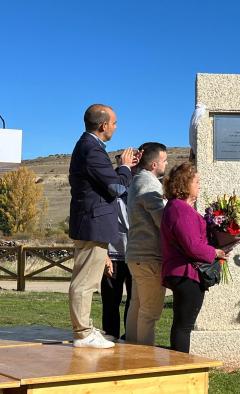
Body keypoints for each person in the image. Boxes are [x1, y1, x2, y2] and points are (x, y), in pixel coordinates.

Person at [69, 104, 133, 348]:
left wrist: (120, 169)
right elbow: (117, 188)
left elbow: (106, 181)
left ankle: (84, 330)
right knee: (85, 282)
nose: (116, 127)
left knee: (86, 279)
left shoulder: (89, 147)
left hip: (91, 222)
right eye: (114, 123)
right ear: (103, 125)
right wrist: (125, 168)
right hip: (93, 223)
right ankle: (83, 333)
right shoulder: (92, 149)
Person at [160, 162, 227, 352]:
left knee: (182, 324)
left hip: (183, 272)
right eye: (196, 181)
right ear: (184, 183)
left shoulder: (178, 208)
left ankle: (179, 366)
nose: (199, 185)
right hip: (185, 273)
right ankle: (181, 368)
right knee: (184, 326)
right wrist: (215, 252)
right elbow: (192, 246)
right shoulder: (180, 209)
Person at [125, 142, 169, 345]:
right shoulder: (149, 184)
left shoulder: (137, 180)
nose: (166, 164)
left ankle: (132, 352)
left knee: (137, 306)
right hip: (149, 255)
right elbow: (162, 220)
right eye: (164, 160)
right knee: (149, 312)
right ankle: (144, 356)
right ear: (153, 164)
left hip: (137, 255)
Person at [100, 153, 134, 340]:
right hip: (112, 253)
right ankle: (110, 337)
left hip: (135, 254)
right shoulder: (109, 190)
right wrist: (103, 254)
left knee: (133, 300)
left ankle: (129, 336)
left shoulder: (140, 189)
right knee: (111, 301)